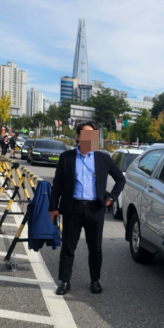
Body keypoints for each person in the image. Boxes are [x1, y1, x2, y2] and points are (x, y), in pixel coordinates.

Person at [48, 121, 125, 295]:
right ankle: (65, 281)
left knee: (95, 248)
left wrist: (111, 197)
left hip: (95, 209)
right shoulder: (66, 158)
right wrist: (53, 207)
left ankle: (95, 281)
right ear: (78, 137)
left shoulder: (103, 158)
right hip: (73, 208)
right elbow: (58, 184)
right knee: (68, 247)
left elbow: (120, 179)